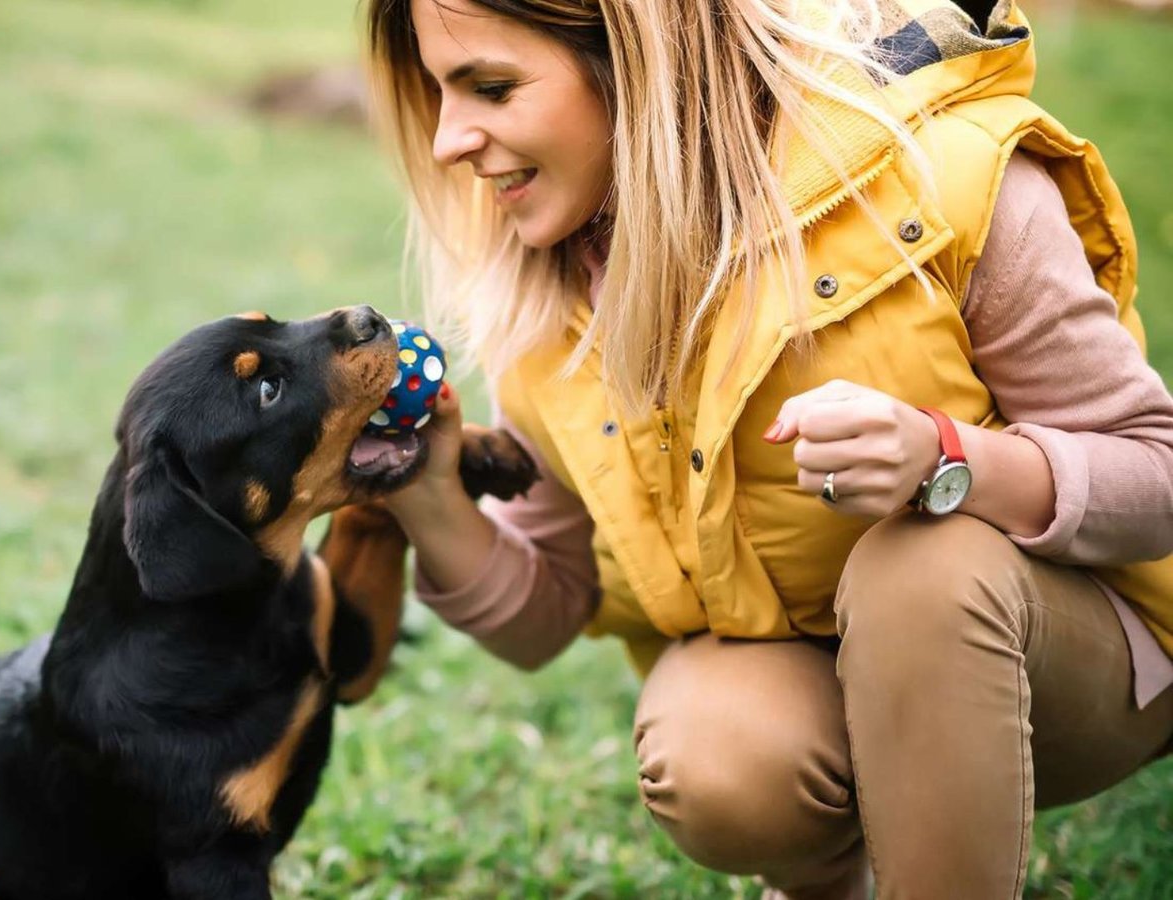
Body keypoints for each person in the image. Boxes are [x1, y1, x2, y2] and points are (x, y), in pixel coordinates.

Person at [363, 0, 1173, 896]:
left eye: (490, 87)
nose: (448, 141)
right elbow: (549, 607)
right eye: (438, 94)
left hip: (1080, 664)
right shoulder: (555, 300)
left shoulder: (942, 178)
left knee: (919, 571)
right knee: (719, 750)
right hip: (820, 677)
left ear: (639, 61)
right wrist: (425, 489)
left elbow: (1156, 473)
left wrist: (948, 458)